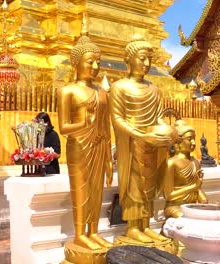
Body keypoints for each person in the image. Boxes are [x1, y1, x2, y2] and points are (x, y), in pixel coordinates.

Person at [109, 35, 171, 243]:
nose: (147, 64)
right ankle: (134, 227)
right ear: (129, 59)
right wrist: (139, 134)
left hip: (152, 144)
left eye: (149, 59)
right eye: (142, 58)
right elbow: (117, 118)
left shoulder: (154, 89)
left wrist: (168, 131)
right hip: (132, 144)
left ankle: (146, 225)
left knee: (149, 186)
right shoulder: (119, 87)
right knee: (133, 186)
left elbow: (158, 117)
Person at [57, 35, 113, 250]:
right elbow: (63, 128)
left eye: (98, 62)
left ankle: (94, 231)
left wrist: (109, 157)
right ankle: (80, 234)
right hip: (79, 147)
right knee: (81, 190)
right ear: (76, 62)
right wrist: (82, 124)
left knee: (97, 191)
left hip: (99, 145)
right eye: (90, 61)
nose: (95, 67)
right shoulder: (67, 91)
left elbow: (106, 127)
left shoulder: (102, 92)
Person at [164, 120, 208, 218]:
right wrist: (194, 187)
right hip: (175, 207)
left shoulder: (195, 162)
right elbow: (168, 195)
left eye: (194, 139)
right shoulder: (171, 163)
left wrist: (203, 200)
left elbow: (198, 189)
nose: (193, 142)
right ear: (179, 141)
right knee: (186, 218)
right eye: (189, 139)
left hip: (192, 205)